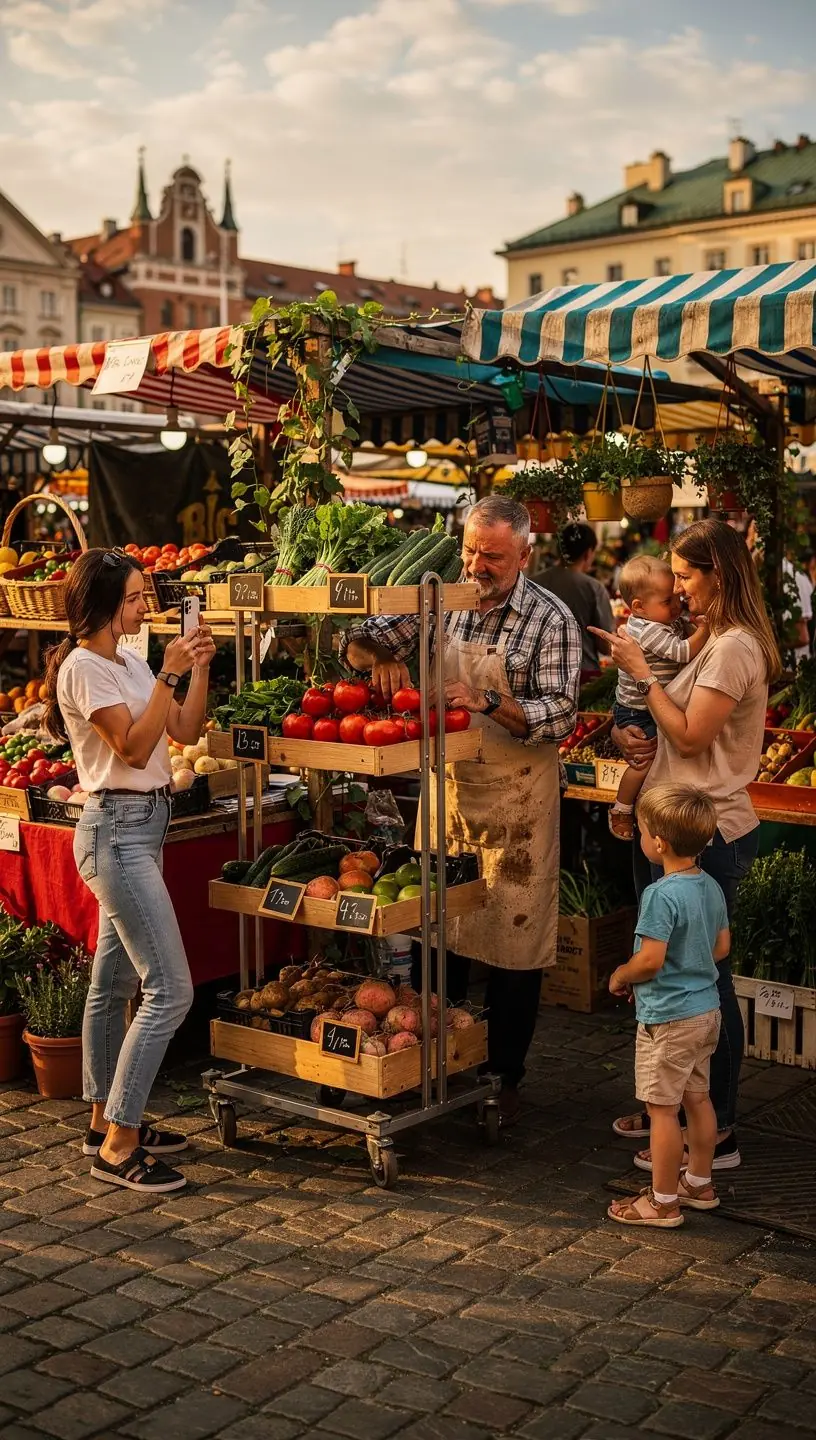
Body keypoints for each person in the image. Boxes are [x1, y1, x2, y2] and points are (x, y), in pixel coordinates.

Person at [341, 495, 581, 1124]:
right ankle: (429, 1056)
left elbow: (560, 715)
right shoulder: (437, 598)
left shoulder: (549, 619)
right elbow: (354, 642)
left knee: (511, 942)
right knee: (436, 931)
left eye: (493, 557)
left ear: (525, 555)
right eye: (471, 550)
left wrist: (485, 698)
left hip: (519, 803)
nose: (477, 565)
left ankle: (502, 1072)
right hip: (449, 794)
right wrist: (383, 654)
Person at [589, 518, 781, 1171]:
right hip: (673, 824)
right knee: (674, 972)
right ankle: (669, 1107)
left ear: (718, 574)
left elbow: (694, 737)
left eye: (688, 575)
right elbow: (668, 728)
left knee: (705, 981)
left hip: (708, 833)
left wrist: (640, 674)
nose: (679, 588)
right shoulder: (711, 640)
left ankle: (716, 1132)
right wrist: (631, 739)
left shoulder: (733, 648)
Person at [43, 548, 216, 1194]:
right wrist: (168, 673)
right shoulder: (86, 669)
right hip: (116, 833)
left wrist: (195, 669)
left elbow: (182, 726)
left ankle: (101, 1120)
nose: (148, 606)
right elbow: (134, 746)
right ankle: (120, 1140)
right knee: (170, 989)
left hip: (144, 828)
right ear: (111, 605)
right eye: (139, 597)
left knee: (111, 987)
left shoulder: (128, 661)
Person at [607, 785, 728, 1229]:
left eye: (641, 831)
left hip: (669, 1018)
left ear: (658, 842)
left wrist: (621, 974)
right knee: (698, 1098)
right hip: (706, 1011)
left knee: (661, 1109)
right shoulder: (710, 886)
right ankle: (698, 1182)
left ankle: (662, 1202)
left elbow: (651, 960)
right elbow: (721, 946)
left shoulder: (660, 894)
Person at [609, 556, 709, 840]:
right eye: (668, 602)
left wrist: (691, 626)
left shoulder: (661, 620)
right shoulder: (646, 629)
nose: (677, 605)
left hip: (648, 704)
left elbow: (681, 636)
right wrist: (706, 629)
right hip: (637, 710)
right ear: (639, 607)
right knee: (644, 762)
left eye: (677, 597)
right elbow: (682, 652)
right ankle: (621, 807)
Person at [536, 521, 614, 676]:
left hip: (538, 670)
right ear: (588, 553)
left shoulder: (534, 583)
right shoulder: (593, 587)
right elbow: (605, 645)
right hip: (582, 673)